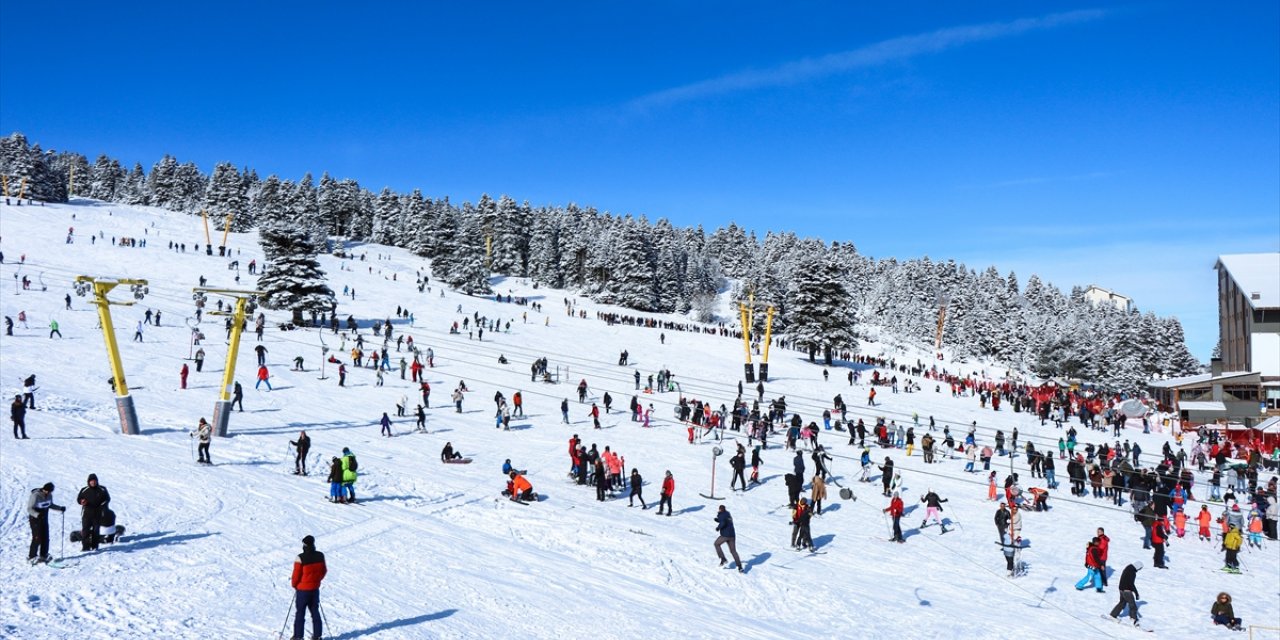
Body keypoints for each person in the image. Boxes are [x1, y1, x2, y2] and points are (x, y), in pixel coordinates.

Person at [291, 534, 328, 640]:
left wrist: (295, 585)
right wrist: (316, 581)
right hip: (314, 589)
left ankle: (298, 637)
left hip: (302, 590)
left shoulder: (300, 558)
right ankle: (317, 636)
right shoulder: (320, 555)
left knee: (300, 614)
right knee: (315, 612)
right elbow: (323, 571)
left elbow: (296, 575)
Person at [27, 482, 66, 564]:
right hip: (35, 519)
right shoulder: (35, 495)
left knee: (45, 537)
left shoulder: (49, 495)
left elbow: (50, 505)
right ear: (43, 489)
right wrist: (37, 514)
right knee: (37, 537)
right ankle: (31, 556)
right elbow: (29, 509)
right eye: (46, 491)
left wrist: (60, 508)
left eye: (50, 491)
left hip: (44, 518)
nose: (48, 493)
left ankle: (43, 554)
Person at [76, 474, 110, 552]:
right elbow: (79, 499)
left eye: (94, 481)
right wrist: (82, 501)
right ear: (89, 482)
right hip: (87, 514)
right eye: (91, 481)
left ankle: (95, 547)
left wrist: (102, 505)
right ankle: (85, 547)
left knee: (96, 531)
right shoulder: (84, 489)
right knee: (85, 531)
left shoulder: (102, 489)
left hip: (98, 514)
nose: (93, 483)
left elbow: (107, 499)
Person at [1108, 561, 1142, 625]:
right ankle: (1133, 619)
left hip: (1121, 588)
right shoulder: (1132, 572)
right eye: (1140, 568)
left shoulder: (1128, 568)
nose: (1139, 570)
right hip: (1127, 590)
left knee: (1122, 603)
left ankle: (1113, 615)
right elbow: (1131, 584)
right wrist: (1136, 593)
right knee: (1133, 605)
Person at [714, 505, 744, 572]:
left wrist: (718, 527)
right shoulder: (728, 514)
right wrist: (718, 520)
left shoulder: (721, 514)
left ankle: (723, 559)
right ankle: (740, 567)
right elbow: (725, 520)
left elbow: (723, 522)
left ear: (720, 509)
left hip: (725, 535)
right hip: (732, 536)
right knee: (733, 551)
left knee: (716, 544)